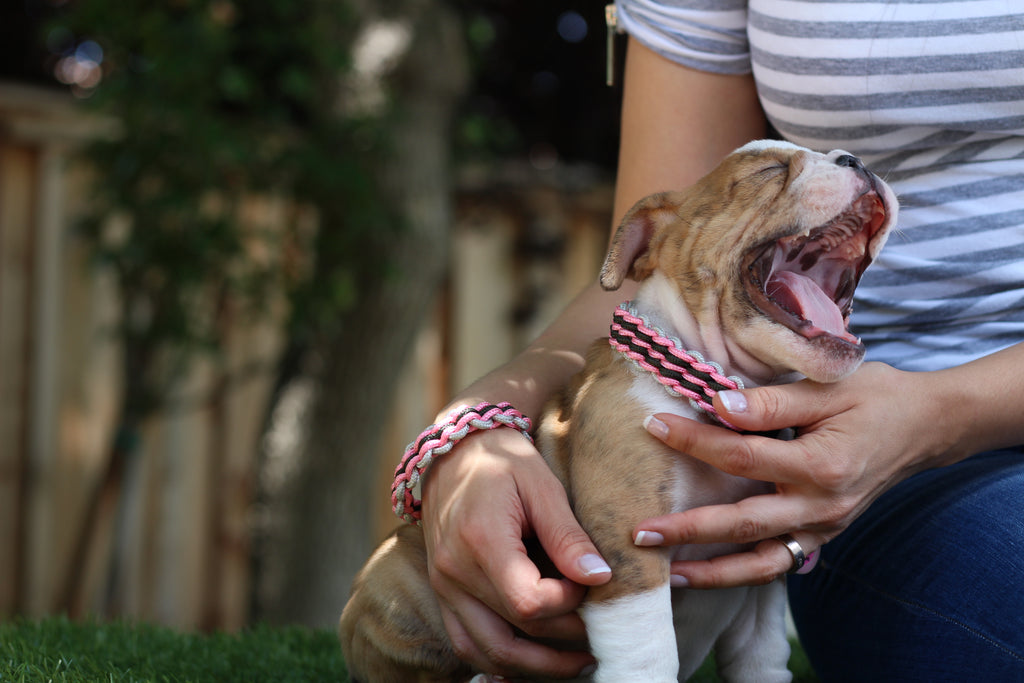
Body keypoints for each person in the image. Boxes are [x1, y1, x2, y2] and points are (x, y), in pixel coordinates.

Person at [416, 1, 1024, 680]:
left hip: (910, 425)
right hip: (876, 469)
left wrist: (942, 412)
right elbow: (652, 275)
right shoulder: (693, 309)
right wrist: (474, 428)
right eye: (775, 173)